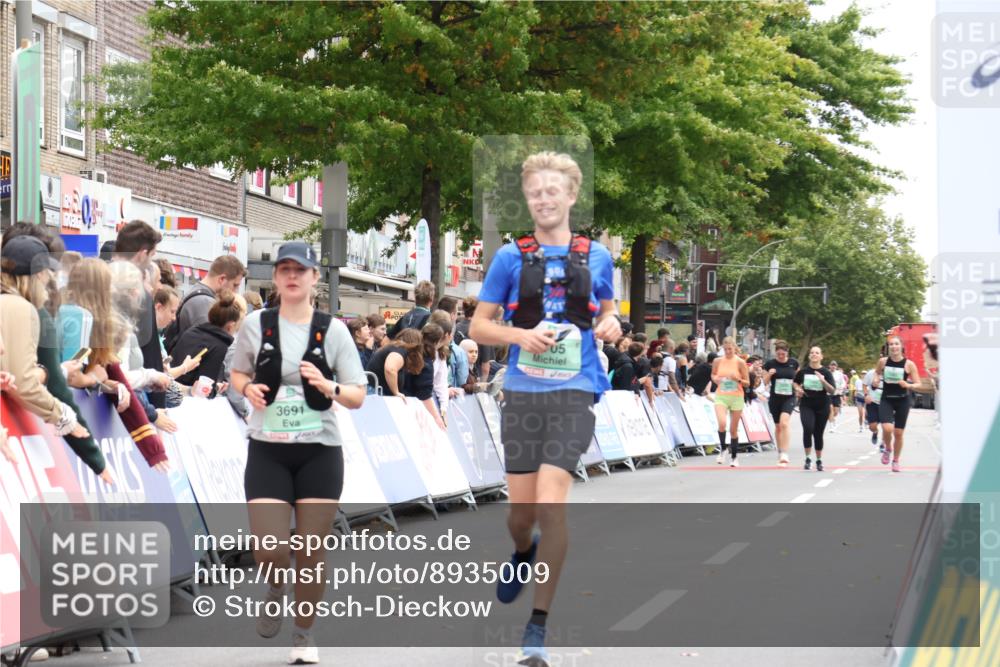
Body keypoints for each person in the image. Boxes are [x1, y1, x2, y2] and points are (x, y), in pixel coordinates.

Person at [469, 151, 621, 665]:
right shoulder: (510, 257)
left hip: (575, 392)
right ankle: (521, 550)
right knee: (522, 515)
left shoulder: (597, 256)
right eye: (535, 192)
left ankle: (536, 627)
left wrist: (611, 323)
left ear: (571, 195)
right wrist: (520, 336)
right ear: (527, 199)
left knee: (552, 505)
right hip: (523, 394)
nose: (543, 199)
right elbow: (479, 325)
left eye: (552, 190)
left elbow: (608, 310)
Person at [230, 241, 367, 665]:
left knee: (311, 550)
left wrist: (330, 387)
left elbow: (357, 394)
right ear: (275, 277)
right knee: (269, 548)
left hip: (319, 452)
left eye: (300, 270)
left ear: (314, 278)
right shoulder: (255, 324)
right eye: (285, 269)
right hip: (268, 449)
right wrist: (247, 389)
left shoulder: (334, 330)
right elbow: (237, 372)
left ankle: (303, 634)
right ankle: (276, 583)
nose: (292, 276)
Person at [0, 236, 112, 484]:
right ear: (36, 275)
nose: (49, 282)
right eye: (46, 275)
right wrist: (63, 416)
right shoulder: (22, 309)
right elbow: (24, 383)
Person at [113, 220, 167, 408]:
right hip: (130, 400)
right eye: (151, 256)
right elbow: (147, 350)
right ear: (142, 254)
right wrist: (154, 409)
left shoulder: (99, 280)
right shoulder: (133, 293)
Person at [163, 254, 247, 352]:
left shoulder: (198, 294)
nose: (235, 292)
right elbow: (208, 347)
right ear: (222, 279)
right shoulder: (204, 303)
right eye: (235, 285)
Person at [171, 291, 245, 397]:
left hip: (170, 388)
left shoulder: (193, 331)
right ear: (231, 326)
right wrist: (216, 388)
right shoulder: (219, 345)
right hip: (186, 399)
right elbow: (205, 388)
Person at [874, 335, 929, 472]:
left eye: (896, 344)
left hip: (903, 400)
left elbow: (918, 384)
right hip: (887, 398)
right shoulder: (883, 362)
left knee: (898, 433)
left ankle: (896, 460)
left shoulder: (909, 364)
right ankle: (888, 448)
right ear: (888, 347)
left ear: (901, 347)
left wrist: (908, 385)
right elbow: (877, 373)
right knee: (887, 428)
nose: (894, 347)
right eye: (891, 344)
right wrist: (876, 380)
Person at [793, 346, 836, 472]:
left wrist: (822, 380)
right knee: (808, 428)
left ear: (821, 356)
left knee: (818, 433)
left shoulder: (826, 372)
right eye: (812, 352)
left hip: (822, 405)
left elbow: (832, 390)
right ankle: (807, 458)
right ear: (809, 356)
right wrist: (798, 389)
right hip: (807, 404)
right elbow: (795, 382)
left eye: (817, 353)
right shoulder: (803, 371)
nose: (814, 354)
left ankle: (819, 460)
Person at [711, 337, 750, 467]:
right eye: (725, 349)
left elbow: (747, 383)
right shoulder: (717, 361)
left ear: (735, 348)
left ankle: (734, 457)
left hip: (736, 397)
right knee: (722, 423)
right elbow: (713, 374)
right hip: (721, 395)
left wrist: (737, 379)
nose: (727, 351)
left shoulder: (740, 362)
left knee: (733, 430)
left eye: (730, 349)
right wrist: (716, 379)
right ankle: (723, 449)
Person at [763, 340, 799, 467]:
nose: (781, 356)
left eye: (783, 354)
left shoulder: (794, 363)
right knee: (778, 427)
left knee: (784, 423)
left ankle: (785, 453)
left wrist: (798, 388)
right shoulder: (770, 364)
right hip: (775, 398)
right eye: (778, 354)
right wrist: (769, 374)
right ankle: (780, 452)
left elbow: (798, 379)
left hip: (789, 397)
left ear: (787, 353)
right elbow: (764, 382)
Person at [366, 327, 426, 397]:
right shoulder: (400, 350)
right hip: (375, 392)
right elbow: (390, 369)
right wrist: (396, 392)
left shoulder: (395, 348)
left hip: (375, 391)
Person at [827, 360, 847, 430]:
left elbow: (843, 382)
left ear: (836, 367)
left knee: (836, 411)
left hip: (837, 393)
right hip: (828, 393)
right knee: (830, 409)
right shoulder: (827, 373)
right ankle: (831, 426)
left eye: (834, 365)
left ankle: (833, 419)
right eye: (832, 365)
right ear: (829, 366)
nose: (833, 367)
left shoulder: (839, 374)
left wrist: (841, 387)